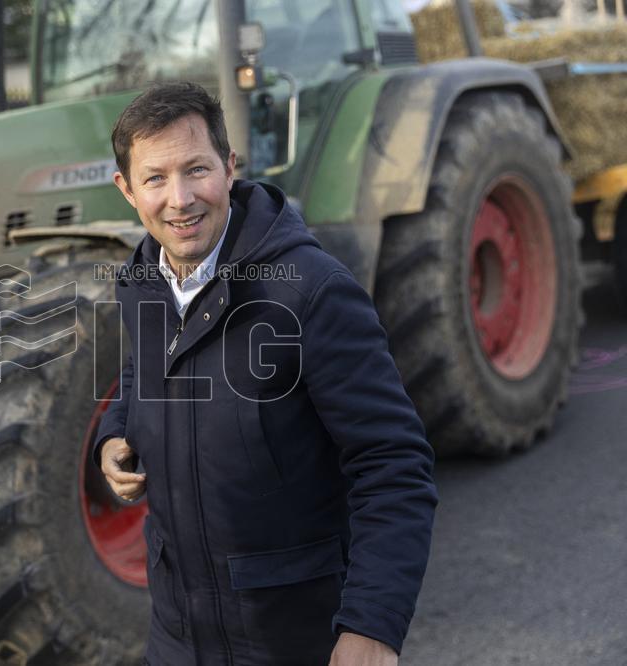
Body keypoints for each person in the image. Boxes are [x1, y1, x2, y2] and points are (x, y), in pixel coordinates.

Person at [93, 82, 438, 665]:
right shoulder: (143, 285)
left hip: (294, 641)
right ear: (127, 190)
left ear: (229, 168)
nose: (179, 199)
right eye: (155, 178)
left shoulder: (312, 292)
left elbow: (393, 464)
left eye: (196, 169)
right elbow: (147, 369)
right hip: (178, 639)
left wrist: (372, 626)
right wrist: (115, 433)